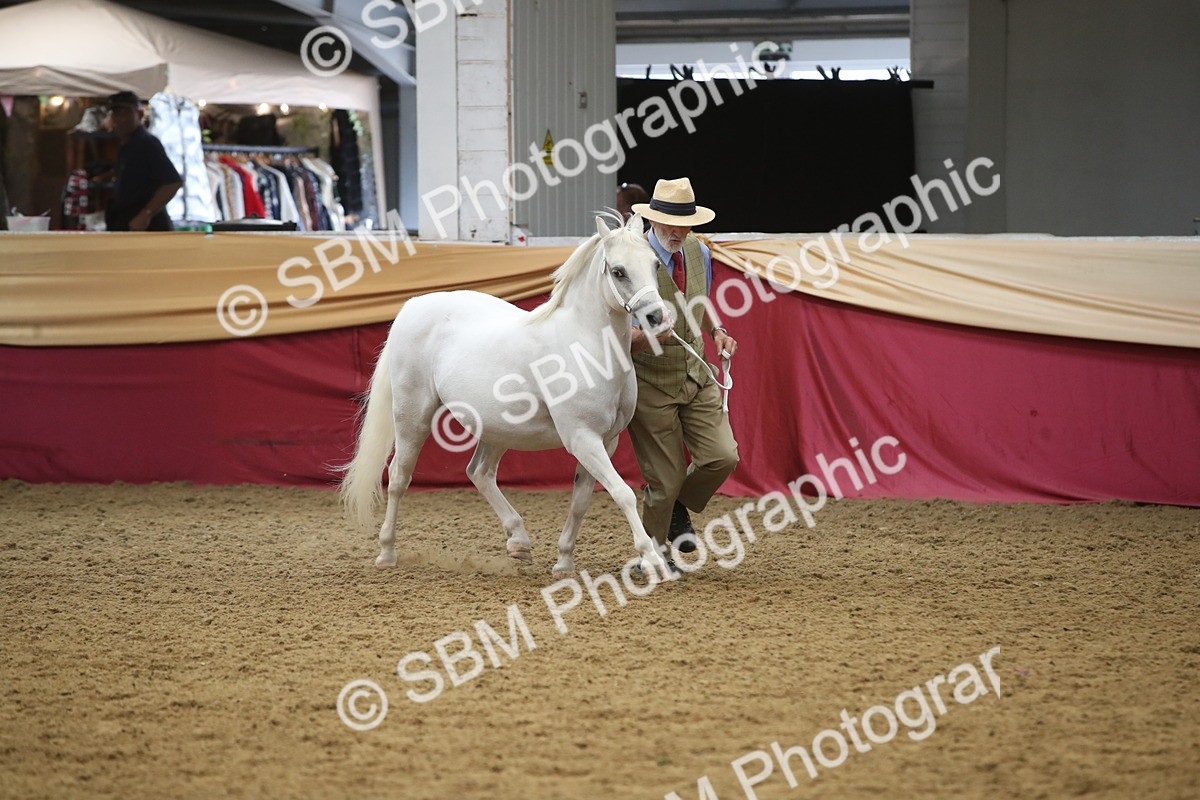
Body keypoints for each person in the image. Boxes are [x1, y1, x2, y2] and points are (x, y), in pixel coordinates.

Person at [627, 177, 739, 561]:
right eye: (669, 222)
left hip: (695, 368)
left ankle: (676, 503)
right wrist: (647, 336)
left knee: (723, 457)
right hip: (647, 380)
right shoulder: (629, 257)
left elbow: (699, 302)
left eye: (685, 222)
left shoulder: (698, 251)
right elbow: (612, 335)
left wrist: (719, 331)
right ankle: (652, 557)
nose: (678, 230)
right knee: (664, 480)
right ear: (652, 219)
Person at [101, 91, 182, 231]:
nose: (121, 119)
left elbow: (172, 183)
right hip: (127, 222)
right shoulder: (128, 145)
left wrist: (146, 213)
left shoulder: (147, 143)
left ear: (139, 115)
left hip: (147, 227)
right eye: (116, 113)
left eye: (126, 113)